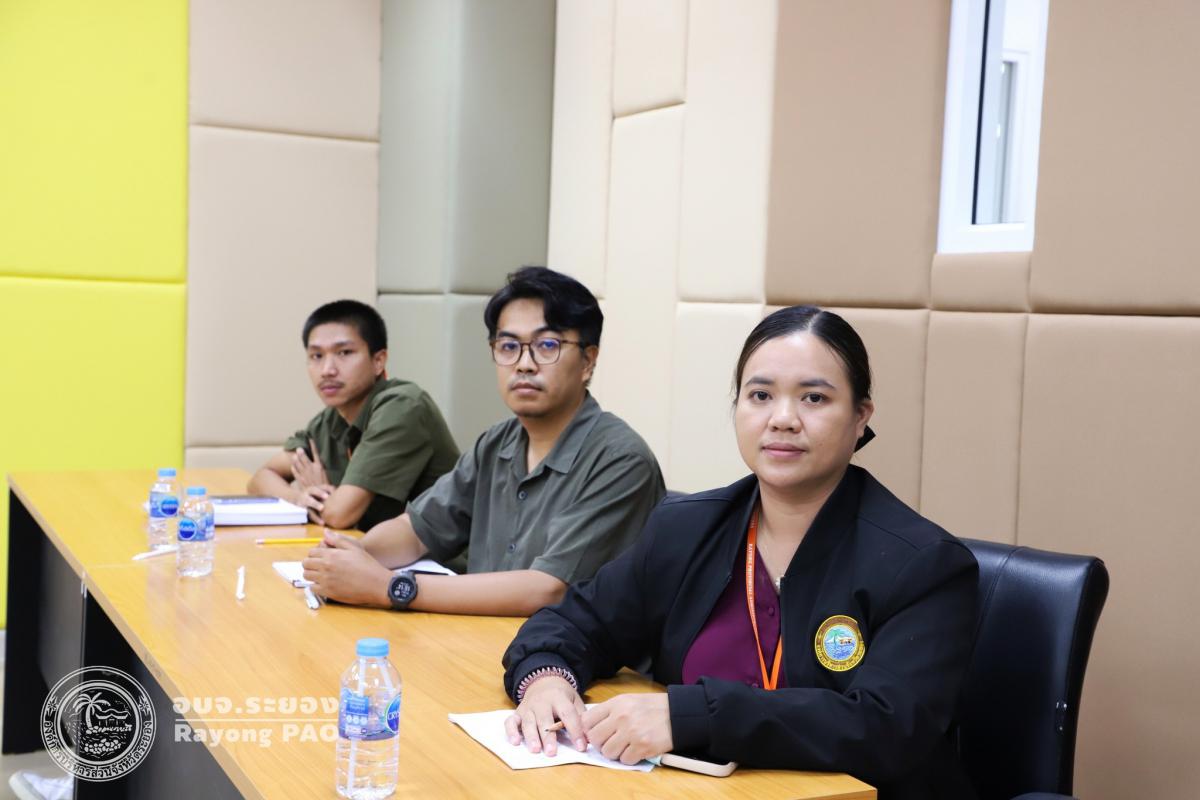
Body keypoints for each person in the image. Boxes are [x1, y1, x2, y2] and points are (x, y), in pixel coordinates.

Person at [501, 306, 980, 800]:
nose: (783, 419)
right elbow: (574, 623)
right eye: (760, 395)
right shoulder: (686, 529)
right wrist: (546, 680)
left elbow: (886, 728)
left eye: (814, 398)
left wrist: (692, 716)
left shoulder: (924, 564)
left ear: (861, 417)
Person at [302, 267, 667, 616]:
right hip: (480, 640)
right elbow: (415, 531)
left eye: (547, 345)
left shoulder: (620, 459)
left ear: (588, 361)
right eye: (508, 346)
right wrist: (350, 556)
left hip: (572, 658)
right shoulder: (496, 443)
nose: (524, 364)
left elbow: (548, 590)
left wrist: (390, 587)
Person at [248, 300, 459, 531]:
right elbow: (260, 479)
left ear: (378, 361)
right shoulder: (330, 419)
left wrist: (322, 499)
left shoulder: (403, 406)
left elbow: (339, 515)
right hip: (369, 549)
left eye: (344, 353)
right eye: (316, 356)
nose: (327, 370)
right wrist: (301, 498)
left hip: (437, 554)